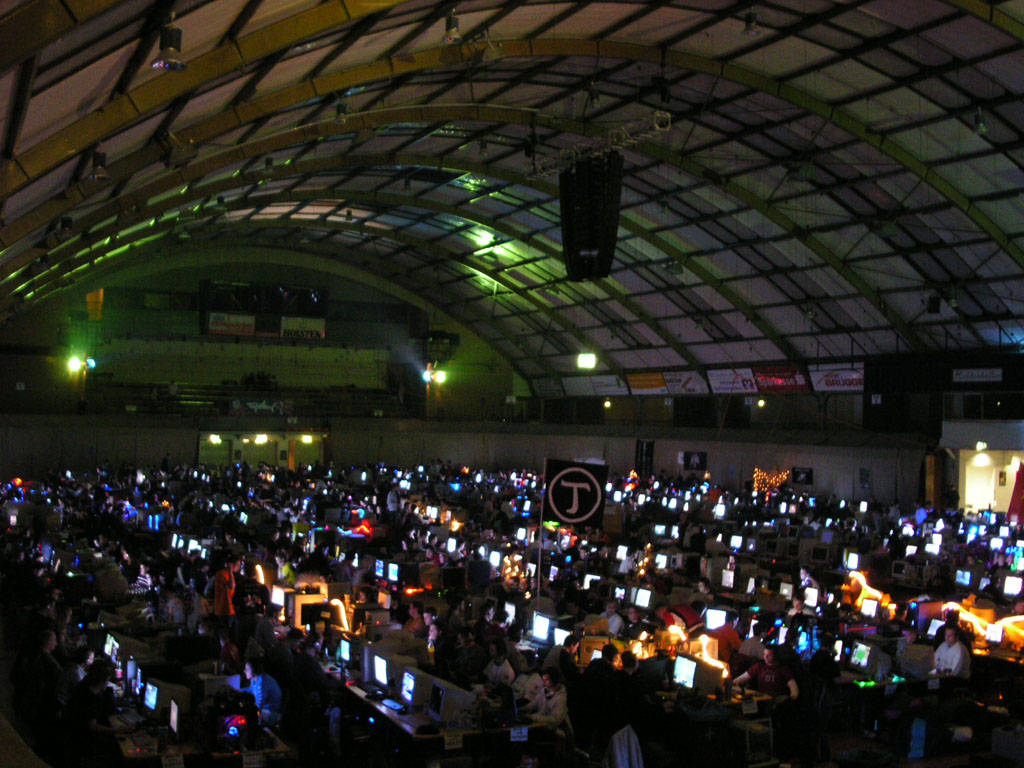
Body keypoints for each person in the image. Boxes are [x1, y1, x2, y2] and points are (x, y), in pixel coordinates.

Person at [734, 645, 799, 700]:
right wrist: (732, 683)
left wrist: (793, 696)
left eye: (769, 655)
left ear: (776, 656)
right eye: (765, 654)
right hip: (762, 697)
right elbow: (744, 677)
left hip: (777, 698)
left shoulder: (783, 669)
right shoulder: (759, 666)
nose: (765, 657)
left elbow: (792, 684)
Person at [245, 657, 284, 727]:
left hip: (272, 712)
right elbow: (250, 690)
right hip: (265, 709)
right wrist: (237, 690)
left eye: (247, 669)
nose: (244, 671)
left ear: (254, 670)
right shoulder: (254, 680)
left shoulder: (262, 683)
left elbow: (258, 706)